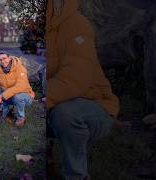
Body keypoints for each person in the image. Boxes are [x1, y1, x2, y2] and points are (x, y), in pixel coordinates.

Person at [45, 0, 119, 179]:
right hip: (58, 101)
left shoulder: (76, 24)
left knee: (65, 114)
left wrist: (40, 100)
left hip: (95, 106)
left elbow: (76, 78)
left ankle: (76, 175)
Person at [0, 52, 35, 126]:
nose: (2, 61)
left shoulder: (20, 68)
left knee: (18, 97)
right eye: (0, 60)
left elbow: (21, 86)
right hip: (8, 95)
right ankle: (5, 109)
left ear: (9, 58)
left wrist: (3, 95)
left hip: (25, 95)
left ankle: (20, 118)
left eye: (4, 58)